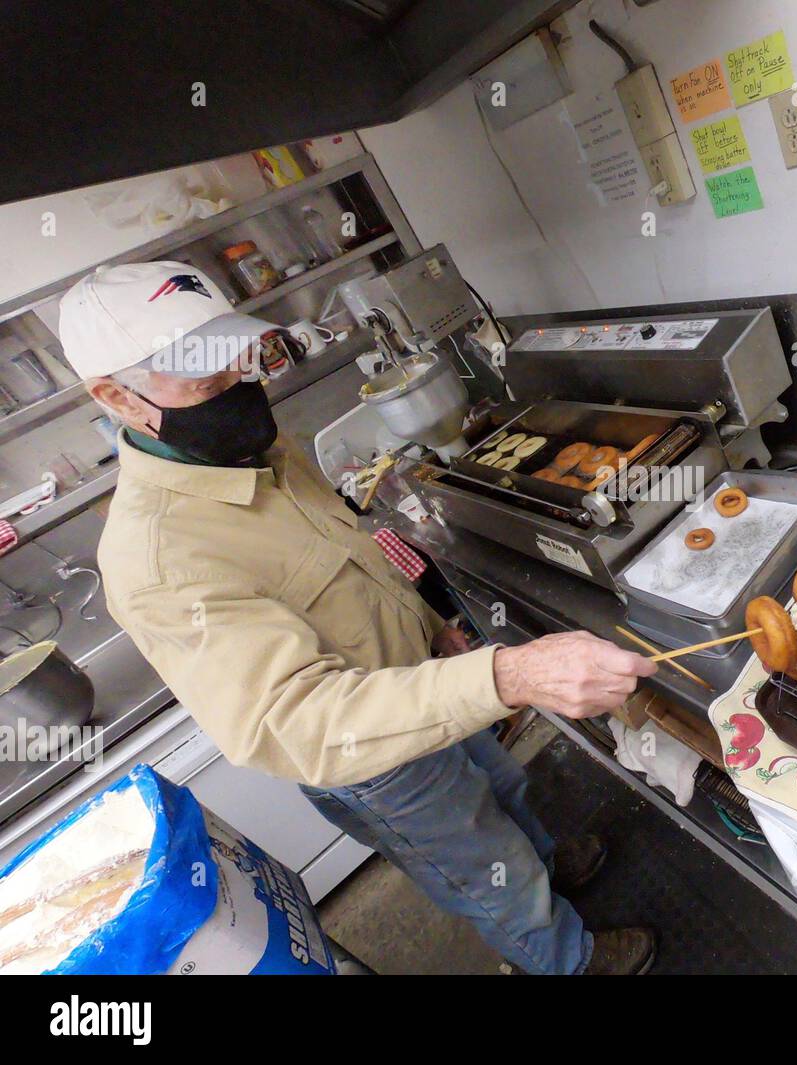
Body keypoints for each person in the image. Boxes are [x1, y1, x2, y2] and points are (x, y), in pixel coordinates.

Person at [59, 261, 658, 975]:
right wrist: (509, 672)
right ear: (117, 396)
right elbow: (303, 720)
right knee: (484, 865)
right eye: (204, 377)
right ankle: (567, 958)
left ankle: (550, 863)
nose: (235, 385)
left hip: (430, 676)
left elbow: (345, 552)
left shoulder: (255, 450)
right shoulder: (158, 558)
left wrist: (429, 629)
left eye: (236, 359)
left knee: (505, 790)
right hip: (374, 757)